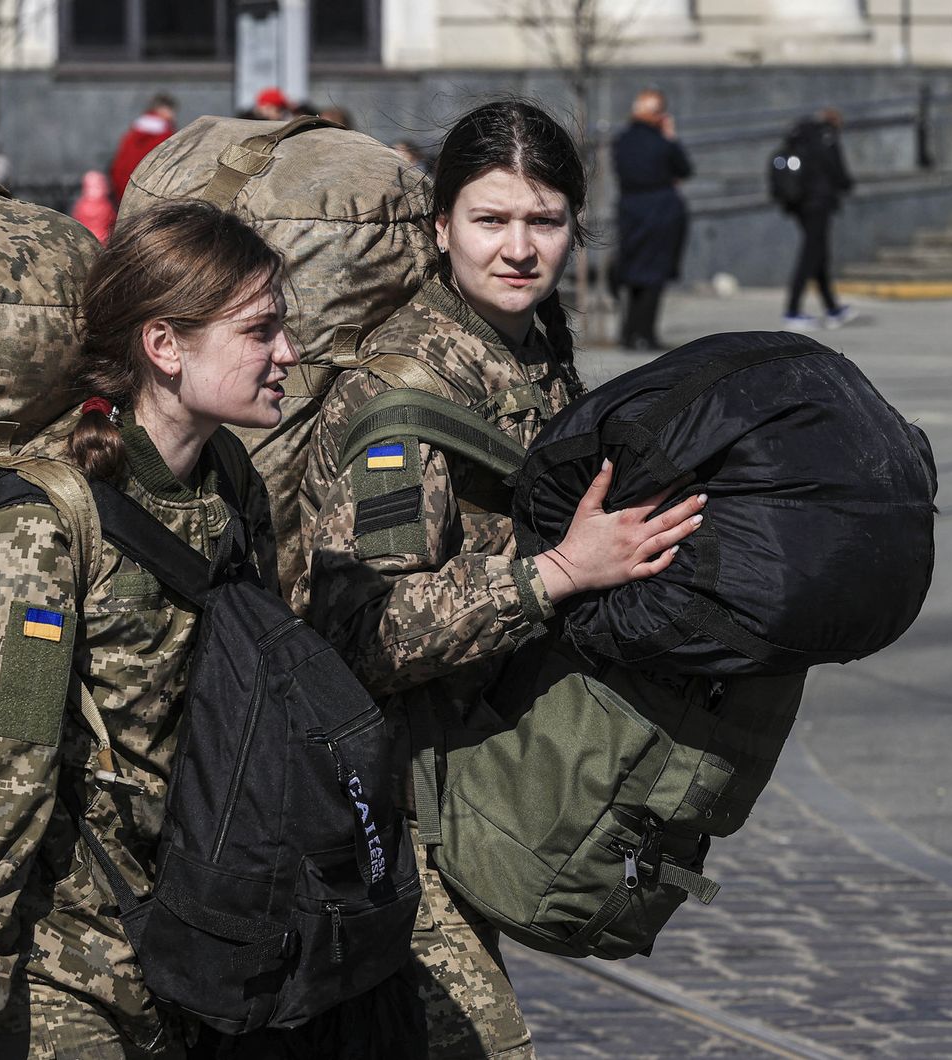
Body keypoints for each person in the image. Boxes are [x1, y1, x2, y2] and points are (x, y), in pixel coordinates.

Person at [293, 100, 706, 1059]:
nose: (518, 248)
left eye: (544, 220)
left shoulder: (532, 350)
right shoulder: (405, 401)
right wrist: (556, 574)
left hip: (475, 776)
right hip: (387, 805)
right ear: (441, 229)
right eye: (490, 220)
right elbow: (365, 633)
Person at [0, 200, 297, 1058]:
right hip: (53, 965)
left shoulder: (228, 485)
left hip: (190, 946)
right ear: (165, 346)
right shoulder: (42, 528)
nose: (287, 352)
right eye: (260, 331)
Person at [611, 89, 692, 352]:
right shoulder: (661, 141)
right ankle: (645, 333)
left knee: (634, 273)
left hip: (631, 210)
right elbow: (685, 169)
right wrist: (671, 137)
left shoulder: (622, 141)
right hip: (661, 211)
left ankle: (629, 332)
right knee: (653, 275)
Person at [781, 107, 856, 331]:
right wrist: (846, 184)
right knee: (810, 256)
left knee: (818, 256)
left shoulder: (802, 136)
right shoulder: (826, 137)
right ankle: (792, 310)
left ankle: (832, 308)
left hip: (801, 204)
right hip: (819, 203)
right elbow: (837, 170)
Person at [109, 93, 177, 205]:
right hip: (151, 189)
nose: (173, 115)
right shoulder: (165, 134)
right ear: (163, 109)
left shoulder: (135, 130)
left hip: (125, 185)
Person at [71, 169, 116, 243]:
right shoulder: (81, 205)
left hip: (99, 239)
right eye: (90, 187)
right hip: (90, 239)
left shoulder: (106, 205)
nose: (93, 191)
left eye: (97, 187)